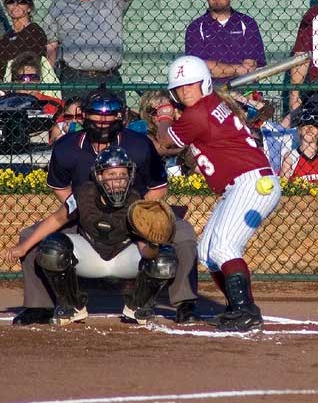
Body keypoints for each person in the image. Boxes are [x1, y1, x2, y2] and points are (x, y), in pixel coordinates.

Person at [12, 87, 198, 326]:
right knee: (31, 236)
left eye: (110, 115)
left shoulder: (139, 145)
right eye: (96, 114)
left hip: (135, 213)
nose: (103, 121)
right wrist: (82, 209)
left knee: (183, 234)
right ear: (83, 116)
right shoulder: (67, 147)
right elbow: (59, 187)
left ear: (120, 116)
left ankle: (186, 303)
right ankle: (39, 306)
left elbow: (159, 186)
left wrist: (139, 214)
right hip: (86, 214)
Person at [157, 55, 282, 332]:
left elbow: (166, 144)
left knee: (225, 247)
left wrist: (164, 116)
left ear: (205, 84)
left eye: (191, 85)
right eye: (179, 88)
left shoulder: (198, 113)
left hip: (252, 183)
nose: (185, 91)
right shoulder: (210, 104)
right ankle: (237, 306)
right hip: (240, 185)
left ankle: (245, 310)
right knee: (208, 253)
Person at [4, 146, 177, 326]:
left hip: (124, 256)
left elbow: (145, 250)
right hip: (90, 254)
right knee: (52, 248)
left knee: (164, 257)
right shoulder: (82, 194)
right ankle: (72, 306)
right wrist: (23, 247)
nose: (118, 181)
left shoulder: (137, 202)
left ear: (130, 176)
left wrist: (153, 246)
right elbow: (56, 219)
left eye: (122, 175)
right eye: (111, 175)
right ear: (99, 176)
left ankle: (138, 306)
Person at [45, 0, 142, 99]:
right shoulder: (60, 4)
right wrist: (48, 84)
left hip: (109, 79)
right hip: (74, 79)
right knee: (72, 121)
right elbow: (51, 47)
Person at [185, 0, 266, 81]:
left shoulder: (247, 23)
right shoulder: (195, 28)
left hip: (242, 91)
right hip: (210, 93)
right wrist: (237, 69)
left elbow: (250, 67)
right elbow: (199, 67)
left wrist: (217, 68)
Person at [0, 0, 47, 80]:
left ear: (29, 7)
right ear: (6, 6)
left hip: (26, 84)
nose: (15, 5)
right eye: (10, 1)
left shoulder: (35, 33)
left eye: (21, 1)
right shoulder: (7, 36)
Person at [280, 96, 318, 183]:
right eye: (305, 125)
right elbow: (283, 188)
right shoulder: (291, 157)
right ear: (299, 130)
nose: (310, 129)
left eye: (315, 126)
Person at [290, 5, 318, 111]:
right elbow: (302, 55)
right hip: (316, 86)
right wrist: (294, 96)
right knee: (308, 125)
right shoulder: (314, 14)